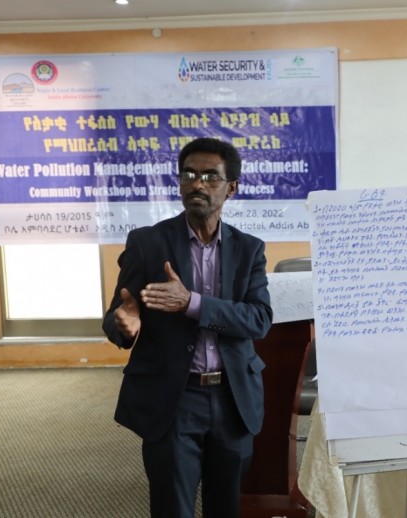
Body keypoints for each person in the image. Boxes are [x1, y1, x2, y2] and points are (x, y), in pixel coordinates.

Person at [102, 137, 273, 518]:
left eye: (211, 176)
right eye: (190, 174)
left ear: (231, 188)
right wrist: (126, 327)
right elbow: (118, 314)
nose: (198, 184)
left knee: (226, 506)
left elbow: (259, 319)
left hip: (232, 399)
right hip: (175, 398)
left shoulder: (249, 249)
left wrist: (191, 303)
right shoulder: (147, 244)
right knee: (172, 508)